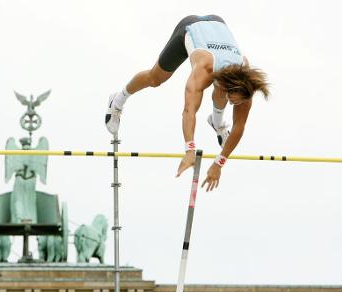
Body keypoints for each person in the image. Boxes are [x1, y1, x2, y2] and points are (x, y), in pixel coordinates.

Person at [105, 15, 269, 192]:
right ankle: (117, 100)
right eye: (232, 100)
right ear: (230, 87)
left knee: (223, 93)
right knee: (155, 78)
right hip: (190, 28)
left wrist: (219, 163)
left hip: (218, 27)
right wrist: (190, 149)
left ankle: (217, 122)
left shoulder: (246, 83)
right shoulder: (204, 70)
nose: (232, 104)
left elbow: (239, 126)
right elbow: (189, 111)